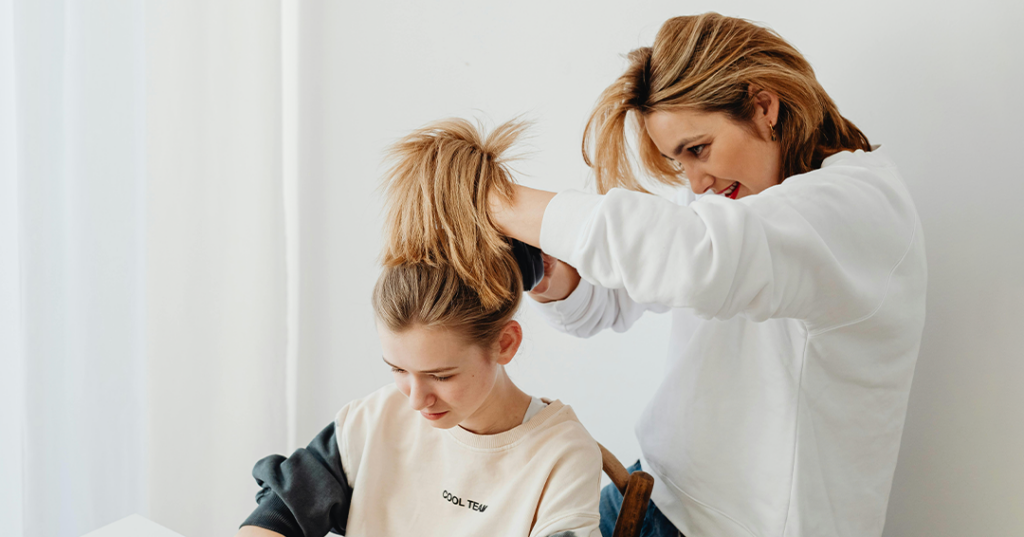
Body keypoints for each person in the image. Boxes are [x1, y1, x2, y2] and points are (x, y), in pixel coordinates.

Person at [489, 13, 927, 537]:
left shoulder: (856, 206)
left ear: (764, 106)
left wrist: (497, 201)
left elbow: (691, 260)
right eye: (680, 163)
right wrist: (550, 272)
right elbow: (609, 300)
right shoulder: (739, 203)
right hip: (653, 492)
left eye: (698, 149)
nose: (696, 181)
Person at [235, 119, 602, 537]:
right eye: (397, 370)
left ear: (505, 344)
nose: (416, 399)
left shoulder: (561, 457)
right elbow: (282, 509)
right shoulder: (376, 421)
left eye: (441, 375)